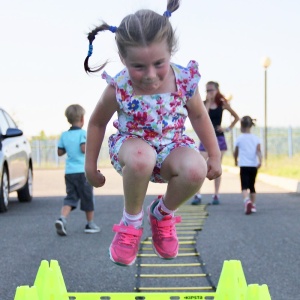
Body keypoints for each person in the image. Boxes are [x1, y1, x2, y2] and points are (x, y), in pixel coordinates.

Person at [84, 0, 222, 267]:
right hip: (132, 147)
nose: (149, 75)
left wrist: (214, 154)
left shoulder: (183, 80)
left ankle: (162, 214)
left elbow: (198, 115)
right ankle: (131, 222)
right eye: (138, 66)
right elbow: (97, 122)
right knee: (141, 155)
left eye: (159, 63)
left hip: (172, 148)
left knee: (196, 169)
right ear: (123, 59)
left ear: (170, 51)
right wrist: (90, 166)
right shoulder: (120, 87)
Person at [55, 104, 100, 236]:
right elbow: (83, 149)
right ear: (82, 119)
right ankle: (90, 223)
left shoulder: (64, 135)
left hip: (69, 172)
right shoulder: (83, 134)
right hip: (82, 172)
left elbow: (59, 152)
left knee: (71, 197)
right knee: (87, 197)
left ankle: (62, 219)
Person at [192, 81, 239, 205]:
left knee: (217, 166)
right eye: (207, 90)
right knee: (200, 165)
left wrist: (227, 128)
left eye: (211, 90)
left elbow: (236, 117)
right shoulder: (202, 104)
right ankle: (197, 194)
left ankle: (216, 194)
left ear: (217, 90)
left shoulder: (222, 104)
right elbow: (203, 117)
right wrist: (207, 102)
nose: (209, 93)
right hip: (205, 138)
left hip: (219, 137)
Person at [234, 116, 262, 215]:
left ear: (241, 126)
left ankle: (246, 200)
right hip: (253, 165)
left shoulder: (240, 138)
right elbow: (258, 151)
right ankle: (253, 205)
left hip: (244, 165)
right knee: (252, 186)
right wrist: (260, 161)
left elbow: (236, 151)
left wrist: (235, 160)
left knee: (244, 186)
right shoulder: (256, 138)